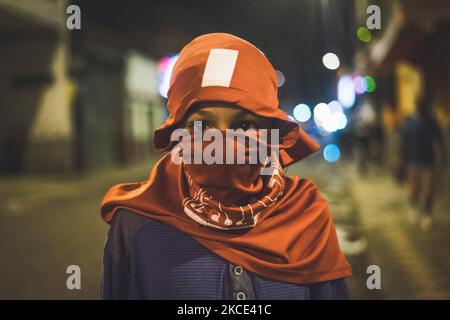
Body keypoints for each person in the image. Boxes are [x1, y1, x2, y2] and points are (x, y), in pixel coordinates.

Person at [100, 33, 352, 299]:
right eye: (201, 125)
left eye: (244, 125)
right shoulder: (136, 224)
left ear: (269, 132)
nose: (221, 144)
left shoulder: (307, 215)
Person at [399, 96, 446, 231]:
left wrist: (443, 157)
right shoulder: (411, 122)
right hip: (413, 161)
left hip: (428, 162)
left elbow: (440, 140)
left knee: (428, 190)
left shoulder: (432, 122)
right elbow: (403, 141)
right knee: (414, 189)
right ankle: (414, 210)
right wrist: (401, 159)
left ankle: (426, 215)